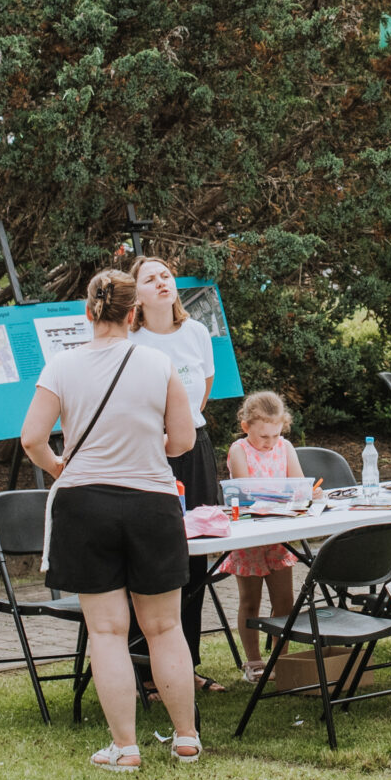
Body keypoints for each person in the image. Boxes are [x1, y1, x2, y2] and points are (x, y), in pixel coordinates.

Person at [21, 269, 199, 771]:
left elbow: (32, 438)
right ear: (133, 313)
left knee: (106, 632)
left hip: (85, 504)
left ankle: (125, 747)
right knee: (165, 627)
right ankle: (186, 738)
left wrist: (61, 467)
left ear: (88, 311)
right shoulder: (158, 363)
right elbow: (183, 442)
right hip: (152, 502)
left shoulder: (62, 365)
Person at [128, 255, 226, 695]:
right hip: (150, 451)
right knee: (152, 556)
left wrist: (183, 432)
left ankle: (186, 665)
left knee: (195, 555)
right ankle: (145, 669)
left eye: (166, 275)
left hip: (194, 446)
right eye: (150, 279)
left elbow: (202, 390)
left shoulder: (196, 332)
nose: (162, 282)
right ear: (136, 295)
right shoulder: (132, 340)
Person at [223, 390, 304, 681]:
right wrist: (283, 493)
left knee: (284, 601)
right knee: (250, 601)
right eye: (263, 437)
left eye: (275, 435)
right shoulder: (239, 450)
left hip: (278, 533)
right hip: (250, 535)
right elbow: (246, 489)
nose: (270, 443)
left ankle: (280, 660)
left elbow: (298, 484)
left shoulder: (285, 447)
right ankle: (254, 662)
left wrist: (307, 492)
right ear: (246, 427)